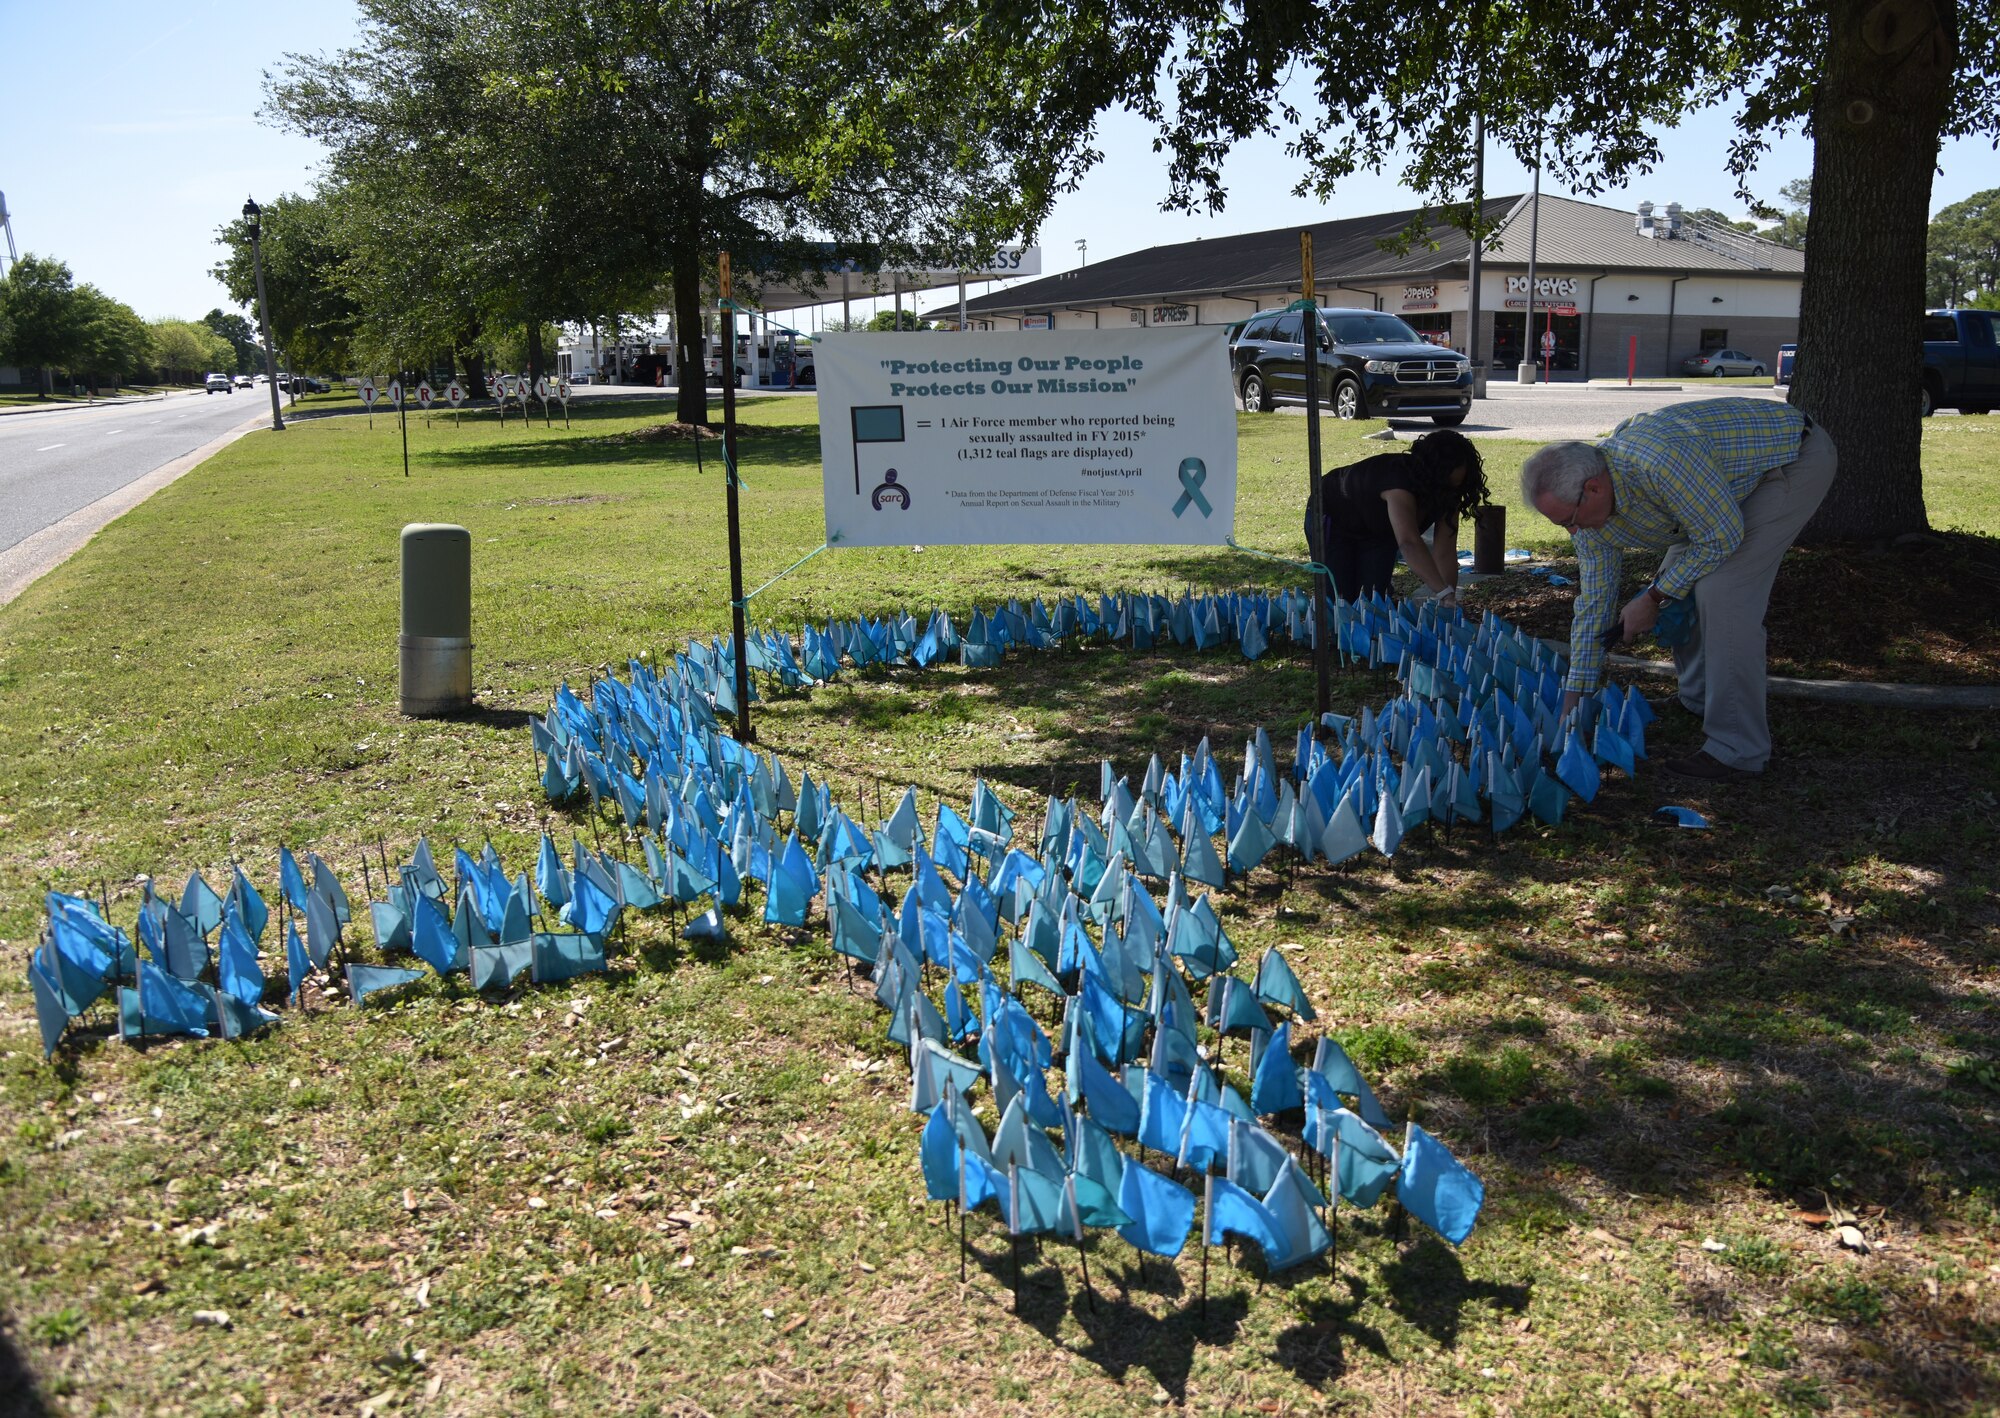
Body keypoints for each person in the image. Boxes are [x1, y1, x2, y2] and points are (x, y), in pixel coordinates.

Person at [1519, 397, 1837, 782]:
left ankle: (1738, 751)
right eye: (1560, 525)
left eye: (1568, 520)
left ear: (1594, 488)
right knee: (1677, 587)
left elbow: (1721, 537)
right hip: (1714, 491)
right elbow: (1595, 603)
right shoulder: (1588, 519)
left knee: (1723, 593)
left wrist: (1652, 598)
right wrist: (1575, 700)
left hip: (1788, 461)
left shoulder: (1658, 463)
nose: (1571, 532)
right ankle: (1698, 698)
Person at [1306, 429, 1487, 606]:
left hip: (1378, 531)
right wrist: (1442, 591)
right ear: (1432, 476)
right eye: (1446, 485)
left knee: (1374, 598)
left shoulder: (1450, 493)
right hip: (1333, 514)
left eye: (1457, 486)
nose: (1451, 493)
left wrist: (1449, 597)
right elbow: (1409, 542)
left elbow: (1445, 551)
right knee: (1339, 599)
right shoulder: (1398, 483)